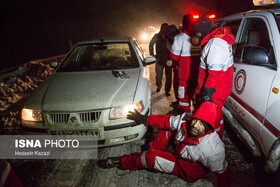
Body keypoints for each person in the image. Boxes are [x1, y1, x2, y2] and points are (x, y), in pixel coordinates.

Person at [98, 101, 230, 187]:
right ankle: (153, 148)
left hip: (186, 167)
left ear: (208, 129)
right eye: (195, 120)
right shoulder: (185, 121)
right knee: (168, 128)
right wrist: (145, 119)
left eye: (202, 124)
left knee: (150, 158)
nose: (195, 125)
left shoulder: (213, 149)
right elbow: (165, 121)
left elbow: (223, 174)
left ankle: (120, 161)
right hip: (180, 148)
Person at [192, 17, 235, 140]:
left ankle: (211, 143)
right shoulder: (220, 39)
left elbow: (214, 73)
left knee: (209, 121)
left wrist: (208, 93)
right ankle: (218, 137)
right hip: (220, 89)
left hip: (214, 92)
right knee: (217, 116)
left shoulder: (214, 45)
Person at [170, 14, 200, 112]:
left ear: (183, 23)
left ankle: (184, 121)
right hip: (197, 76)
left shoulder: (180, 38)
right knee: (196, 99)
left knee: (184, 100)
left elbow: (174, 57)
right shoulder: (199, 37)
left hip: (184, 77)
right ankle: (196, 119)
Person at [149, 23, 172, 96]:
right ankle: (158, 86)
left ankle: (167, 90)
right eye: (164, 28)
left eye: (166, 28)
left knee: (169, 76)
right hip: (159, 58)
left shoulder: (170, 36)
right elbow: (151, 43)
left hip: (168, 59)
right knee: (159, 74)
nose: (165, 29)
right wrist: (152, 53)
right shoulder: (157, 36)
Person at [165, 25, 180, 107]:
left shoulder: (180, 39)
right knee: (176, 84)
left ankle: (182, 103)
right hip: (175, 65)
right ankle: (178, 100)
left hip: (181, 66)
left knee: (181, 86)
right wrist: (169, 59)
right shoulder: (168, 40)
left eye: (170, 35)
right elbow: (168, 51)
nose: (169, 37)